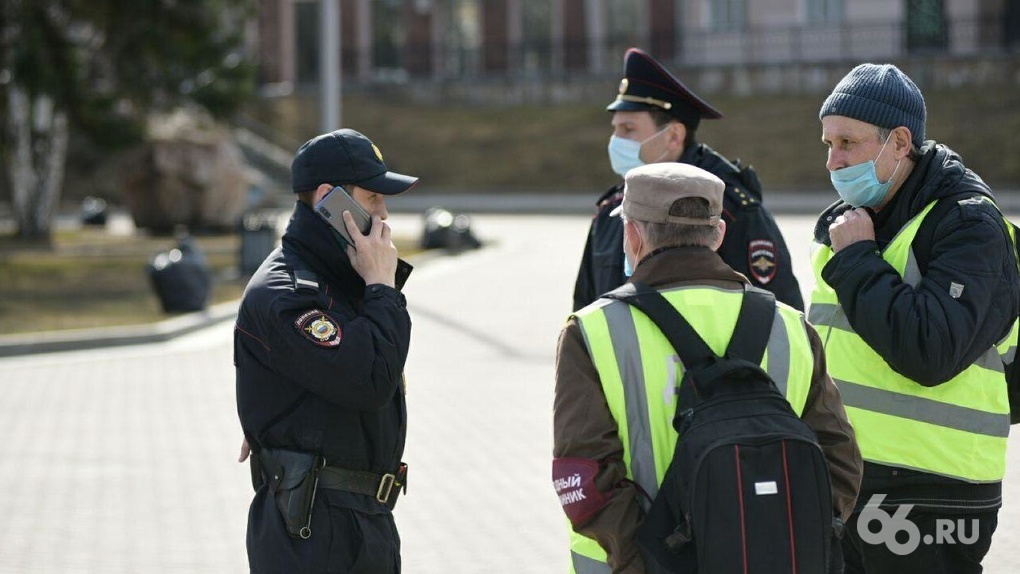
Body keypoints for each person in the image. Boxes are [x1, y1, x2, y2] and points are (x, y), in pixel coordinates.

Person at [554, 162, 862, 573]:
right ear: (718, 235)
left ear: (632, 234)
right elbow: (841, 459)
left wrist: (643, 562)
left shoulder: (593, 331)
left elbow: (583, 475)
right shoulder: (790, 327)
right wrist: (794, 537)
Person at [809, 63, 1020, 573]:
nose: (833, 162)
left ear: (900, 142)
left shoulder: (968, 224)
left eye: (848, 143)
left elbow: (931, 350)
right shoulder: (851, 223)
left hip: (932, 489)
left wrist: (859, 262)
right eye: (827, 144)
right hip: (848, 478)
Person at [235, 128, 417, 573]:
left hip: (357, 522)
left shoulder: (340, 279)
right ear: (328, 201)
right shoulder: (290, 293)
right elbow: (370, 379)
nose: (384, 213)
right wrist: (381, 286)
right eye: (373, 198)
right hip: (314, 532)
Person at [572, 47, 803, 312]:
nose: (616, 141)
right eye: (615, 130)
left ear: (673, 136)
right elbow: (585, 308)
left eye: (628, 129)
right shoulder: (611, 211)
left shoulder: (729, 208)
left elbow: (776, 314)